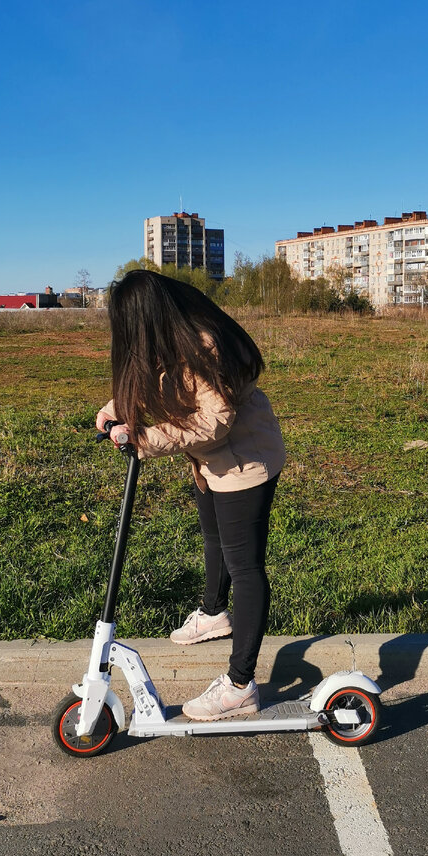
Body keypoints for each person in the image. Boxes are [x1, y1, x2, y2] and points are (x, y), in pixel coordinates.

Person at [96, 270, 286, 721]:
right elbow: (142, 386)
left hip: (243, 462)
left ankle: (240, 685)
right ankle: (214, 614)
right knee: (213, 539)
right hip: (209, 464)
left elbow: (214, 420)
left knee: (245, 567)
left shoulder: (205, 346)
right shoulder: (163, 339)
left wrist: (144, 440)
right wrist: (110, 417)